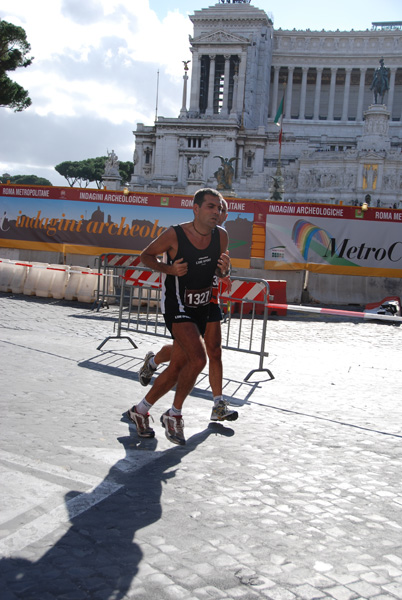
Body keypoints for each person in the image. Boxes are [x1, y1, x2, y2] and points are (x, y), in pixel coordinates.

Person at [126, 188, 231, 446]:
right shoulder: (175, 234)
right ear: (195, 209)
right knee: (198, 358)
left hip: (203, 306)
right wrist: (169, 269)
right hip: (177, 305)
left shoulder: (222, 237)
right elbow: (145, 256)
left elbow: (220, 273)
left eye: (218, 208)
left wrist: (226, 270)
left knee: (177, 367)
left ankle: (140, 410)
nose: (216, 212)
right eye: (210, 207)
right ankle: (174, 414)